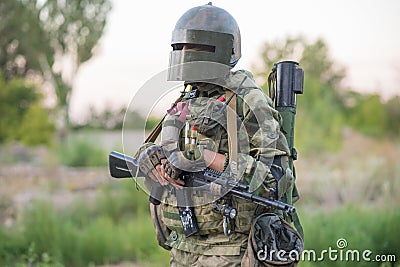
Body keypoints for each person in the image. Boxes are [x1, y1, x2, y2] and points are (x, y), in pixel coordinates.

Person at [136, 3, 302, 266]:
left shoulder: (249, 101)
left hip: (229, 250)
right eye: (179, 46)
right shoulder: (190, 96)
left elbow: (277, 181)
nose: (183, 53)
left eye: (192, 46)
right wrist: (151, 158)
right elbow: (156, 147)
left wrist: (210, 159)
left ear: (216, 49)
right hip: (184, 248)